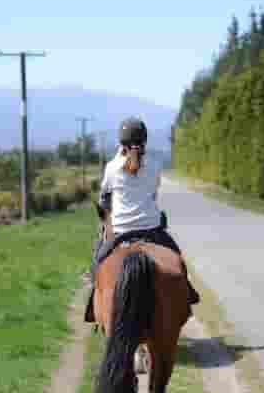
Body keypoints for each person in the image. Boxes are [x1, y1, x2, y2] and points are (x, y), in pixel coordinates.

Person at [84, 116, 199, 323]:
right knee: (177, 258)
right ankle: (187, 292)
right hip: (151, 231)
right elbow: (153, 194)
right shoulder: (154, 165)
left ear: (122, 143)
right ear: (145, 141)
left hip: (120, 232)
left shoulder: (111, 167)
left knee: (99, 261)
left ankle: (94, 301)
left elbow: (104, 197)